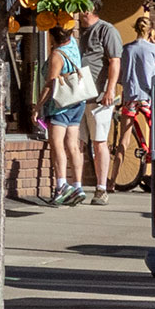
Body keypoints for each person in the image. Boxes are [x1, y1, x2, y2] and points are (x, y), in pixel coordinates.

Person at [78, 5, 125, 200]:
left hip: (99, 96)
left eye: (81, 9)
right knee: (76, 142)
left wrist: (110, 89)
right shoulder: (78, 31)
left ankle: (101, 188)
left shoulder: (107, 30)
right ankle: (76, 187)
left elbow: (115, 61)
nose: (78, 13)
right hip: (78, 96)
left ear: (90, 10)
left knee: (99, 142)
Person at [42, 22, 91, 204]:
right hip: (77, 101)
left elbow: (50, 83)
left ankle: (61, 185)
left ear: (53, 37)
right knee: (73, 144)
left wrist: (38, 105)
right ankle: (77, 186)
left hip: (60, 104)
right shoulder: (73, 46)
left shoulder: (57, 55)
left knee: (57, 145)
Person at [119, 14, 155, 191]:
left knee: (124, 137)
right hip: (147, 96)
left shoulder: (126, 49)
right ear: (150, 30)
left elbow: (122, 74)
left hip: (130, 96)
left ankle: (111, 179)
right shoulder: (154, 49)